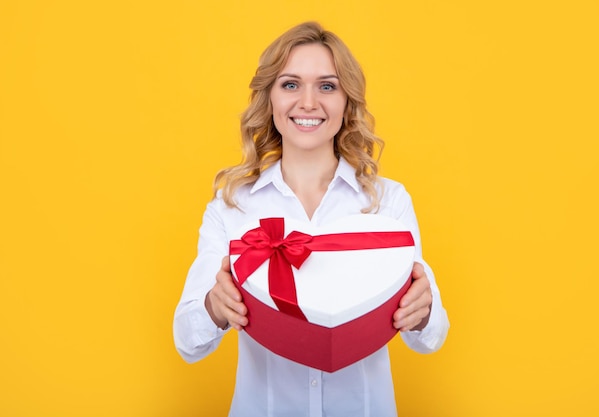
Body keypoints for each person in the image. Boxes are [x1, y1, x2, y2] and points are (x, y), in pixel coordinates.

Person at [173, 21, 449, 417]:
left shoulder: (388, 202)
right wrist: (215, 308)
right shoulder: (232, 206)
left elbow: (431, 336)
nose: (308, 102)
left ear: (346, 101)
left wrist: (422, 313)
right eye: (290, 84)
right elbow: (187, 341)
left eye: (327, 85)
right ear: (269, 99)